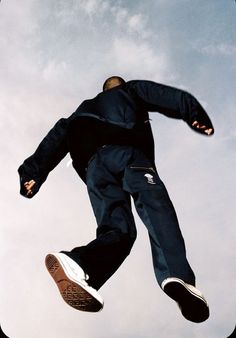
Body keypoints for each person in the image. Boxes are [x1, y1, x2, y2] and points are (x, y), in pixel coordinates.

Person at [18, 76, 214, 323]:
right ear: (119, 86)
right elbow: (165, 95)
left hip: (94, 171)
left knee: (118, 231)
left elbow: (55, 138)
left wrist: (32, 174)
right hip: (127, 156)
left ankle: (80, 265)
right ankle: (176, 275)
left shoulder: (79, 112)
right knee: (156, 207)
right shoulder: (130, 90)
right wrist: (195, 115)